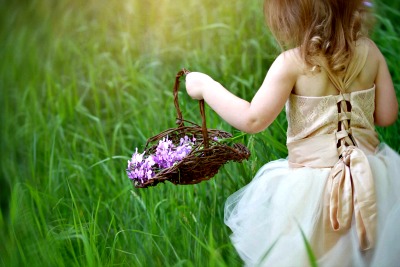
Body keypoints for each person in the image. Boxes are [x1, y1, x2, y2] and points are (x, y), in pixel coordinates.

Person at [185, 0, 400, 266]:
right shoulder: (370, 51)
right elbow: (387, 115)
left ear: (291, 15)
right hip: (372, 177)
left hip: (312, 189)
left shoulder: (292, 63)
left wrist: (206, 86)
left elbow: (253, 119)